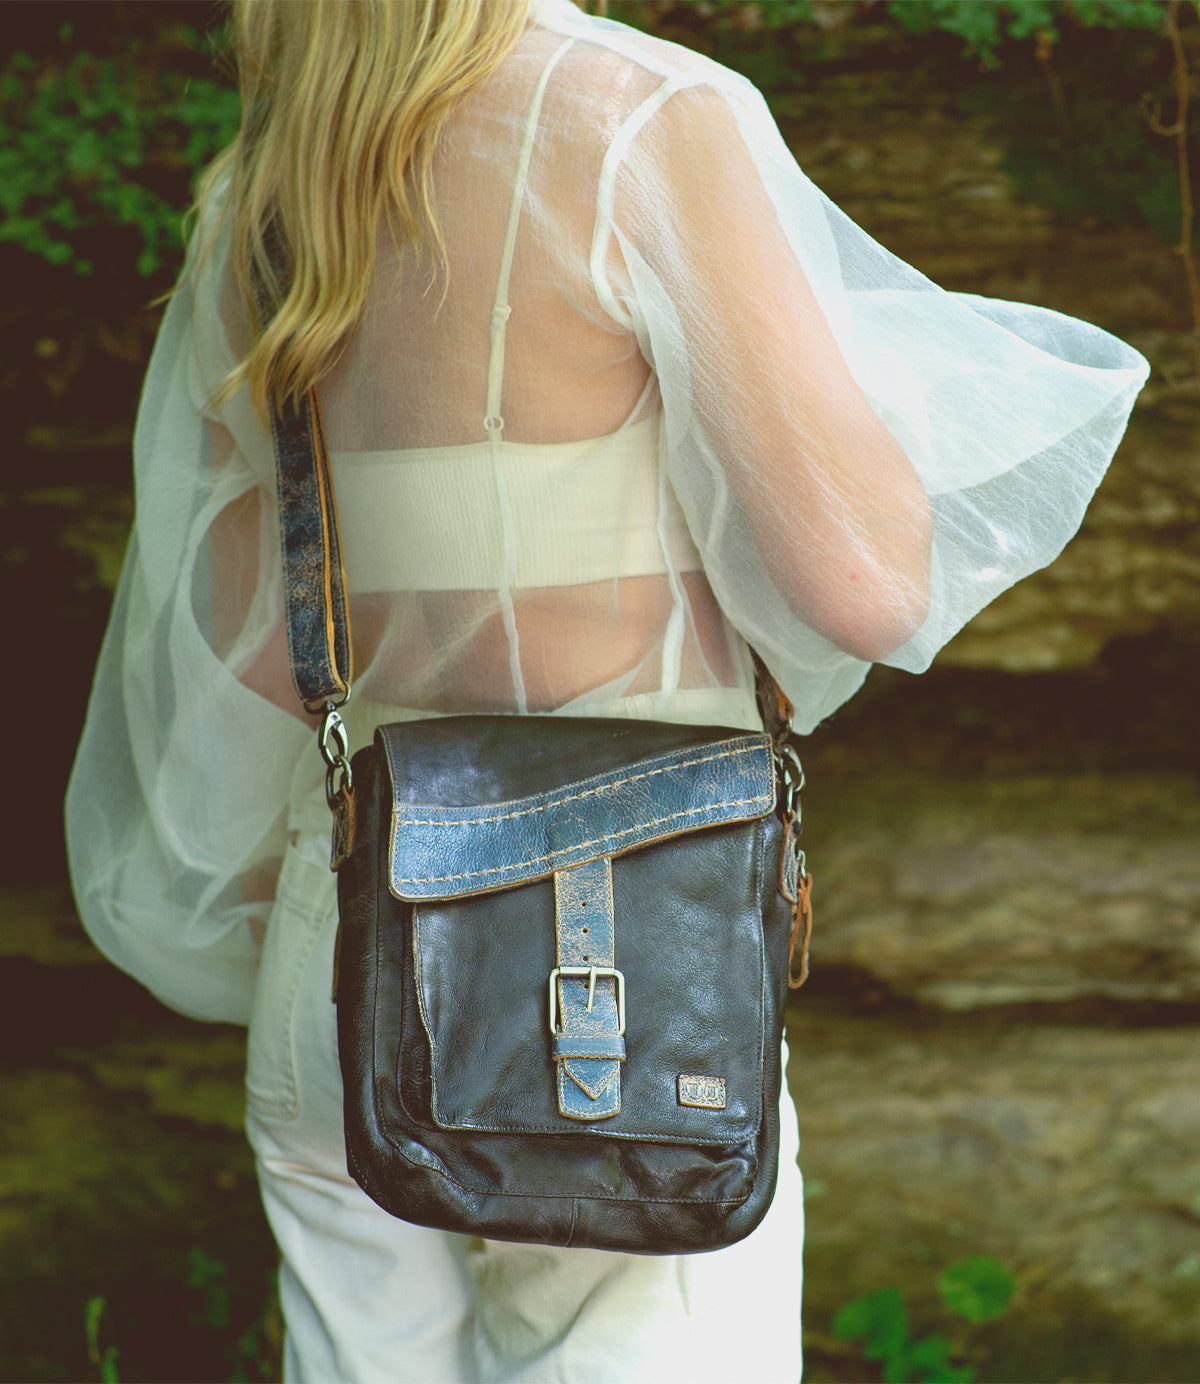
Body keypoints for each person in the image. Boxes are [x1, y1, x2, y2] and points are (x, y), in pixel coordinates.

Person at [65, 0, 1148, 1379]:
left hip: (345, 937)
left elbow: (264, 649)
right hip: (618, 972)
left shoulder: (277, 173)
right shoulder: (642, 119)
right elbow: (863, 585)